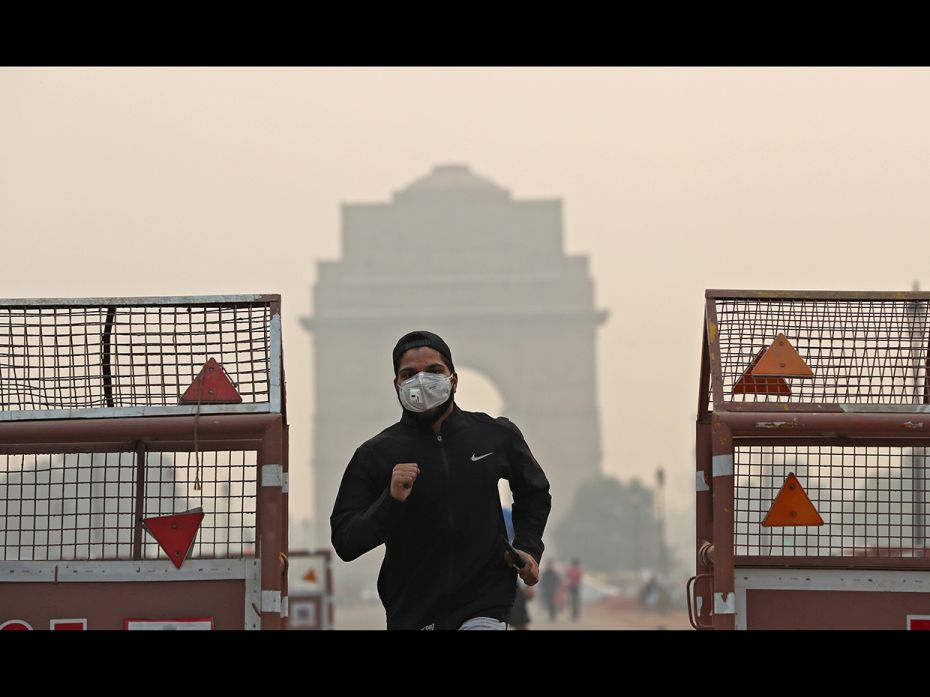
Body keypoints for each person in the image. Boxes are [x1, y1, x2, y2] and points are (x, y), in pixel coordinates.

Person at [330, 330, 552, 630]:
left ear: (454, 379)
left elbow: (535, 493)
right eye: (410, 374)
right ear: (397, 385)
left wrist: (528, 547)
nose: (422, 381)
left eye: (434, 371)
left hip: (484, 600)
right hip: (412, 607)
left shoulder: (494, 434)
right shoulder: (376, 454)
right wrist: (390, 501)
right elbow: (346, 541)